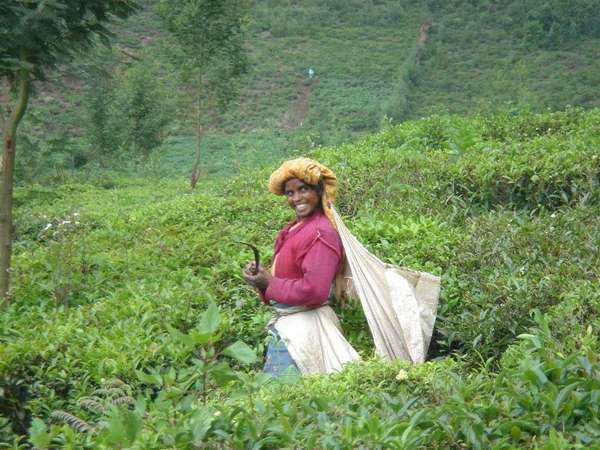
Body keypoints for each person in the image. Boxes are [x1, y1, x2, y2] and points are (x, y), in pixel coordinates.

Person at [242, 158, 359, 376]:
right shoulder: (295, 228)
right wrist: (261, 278)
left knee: (286, 400)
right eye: (290, 193)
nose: (296, 198)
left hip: (305, 331)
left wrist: (270, 282)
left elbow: (314, 291)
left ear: (318, 191)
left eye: (303, 189)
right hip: (289, 327)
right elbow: (288, 275)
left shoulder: (321, 232)